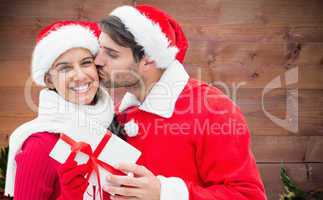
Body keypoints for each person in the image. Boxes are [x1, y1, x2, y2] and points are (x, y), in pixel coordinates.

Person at [94, 4, 267, 200]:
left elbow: (248, 195)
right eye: (99, 49)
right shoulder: (118, 114)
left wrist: (165, 194)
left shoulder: (213, 109)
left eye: (111, 53)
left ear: (148, 58)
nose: (97, 60)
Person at [5, 21, 120, 200]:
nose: (80, 75)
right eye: (65, 68)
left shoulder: (114, 127)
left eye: (86, 63)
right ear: (49, 81)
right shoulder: (41, 144)